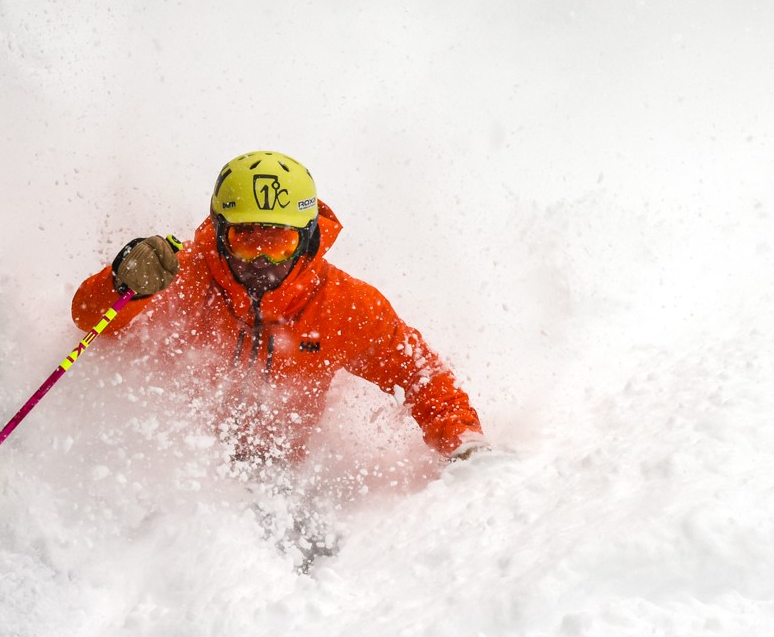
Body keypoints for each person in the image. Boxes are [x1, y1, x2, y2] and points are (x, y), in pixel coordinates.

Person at [71, 150, 485, 469]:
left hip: (288, 474)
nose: (261, 262)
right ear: (218, 232)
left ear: (307, 239)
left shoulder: (343, 305)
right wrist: (121, 283)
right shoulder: (179, 274)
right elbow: (89, 322)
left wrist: (463, 440)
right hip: (178, 468)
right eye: (246, 239)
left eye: (278, 242)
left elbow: (419, 374)